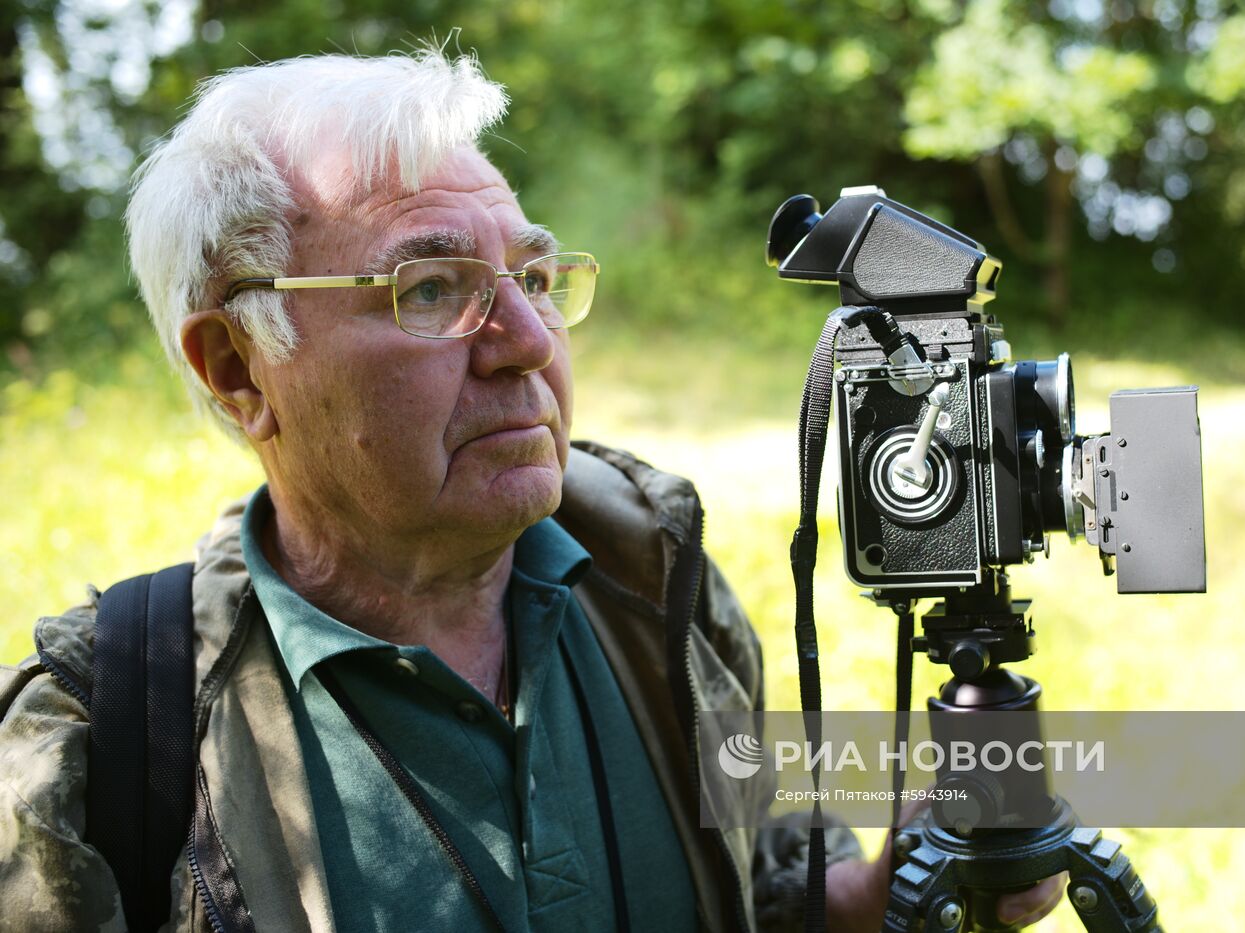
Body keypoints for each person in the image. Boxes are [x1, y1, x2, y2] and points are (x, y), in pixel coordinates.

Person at [0, 49, 1063, 931]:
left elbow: (769, 894)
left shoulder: (652, 580)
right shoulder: (100, 744)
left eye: (535, 278)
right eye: (429, 288)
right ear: (238, 368)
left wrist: (879, 895)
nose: (523, 340)